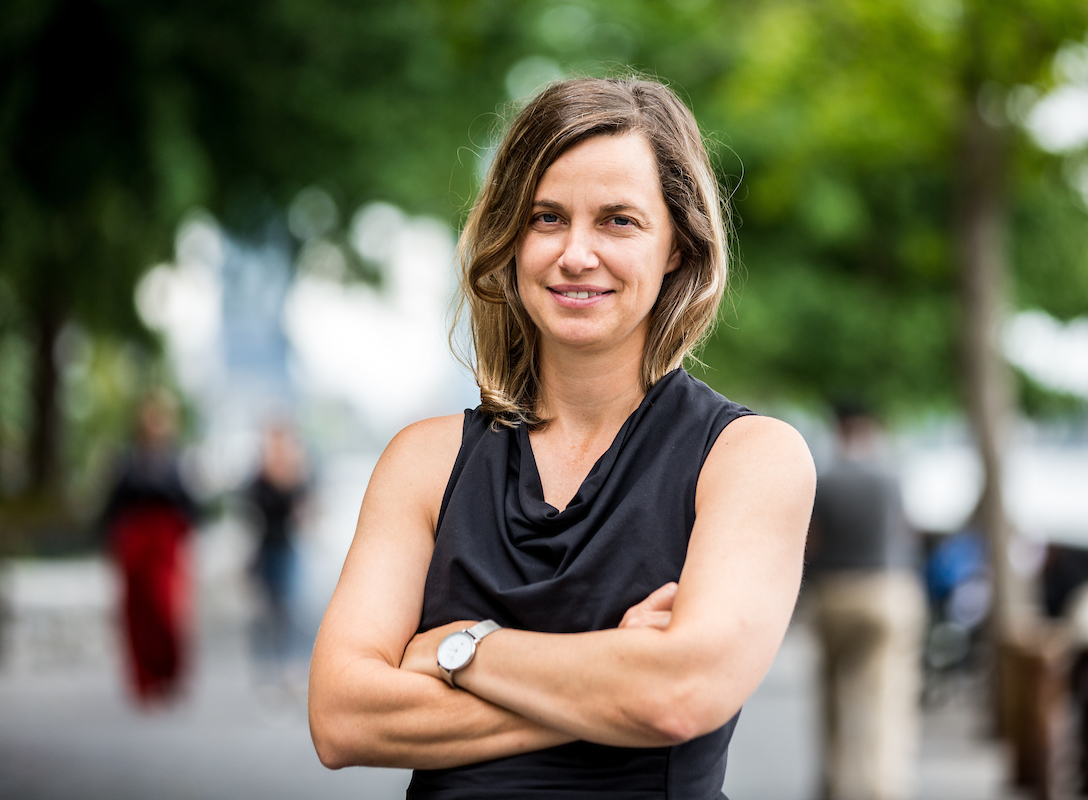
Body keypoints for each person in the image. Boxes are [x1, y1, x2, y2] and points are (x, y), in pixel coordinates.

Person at [308, 76, 816, 799]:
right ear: (511, 237)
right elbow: (341, 718)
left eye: (618, 221)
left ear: (677, 244)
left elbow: (679, 696)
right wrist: (614, 680)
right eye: (547, 217)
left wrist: (459, 651)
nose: (576, 254)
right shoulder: (422, 464)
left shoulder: (747, 460)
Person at [803, 401, 925, 800]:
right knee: (886, 697)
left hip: (834, 594)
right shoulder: (891, 477)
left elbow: (811, 542)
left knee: (833, 693)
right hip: (886, 592)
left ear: (839, 430)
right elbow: (906, 533)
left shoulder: (825, 478)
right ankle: (881, 786)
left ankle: (834, 781)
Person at [101, 388, 197, 705]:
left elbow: (189, 508)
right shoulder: (127, 460)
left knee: (166, 611)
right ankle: (144, 679)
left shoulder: (175, 462)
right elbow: (113, 507)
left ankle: (168, 675)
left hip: (164, 547)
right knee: (137, 614)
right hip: (135, 546)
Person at [244, 421, 309, 686]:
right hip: (265, 549)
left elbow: (304, 514)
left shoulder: (297, 476)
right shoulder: (260, 477)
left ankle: (288, 666)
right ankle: (268, 666)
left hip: (287, 548)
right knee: (266, 610)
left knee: (289, 608)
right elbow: (253, 509)